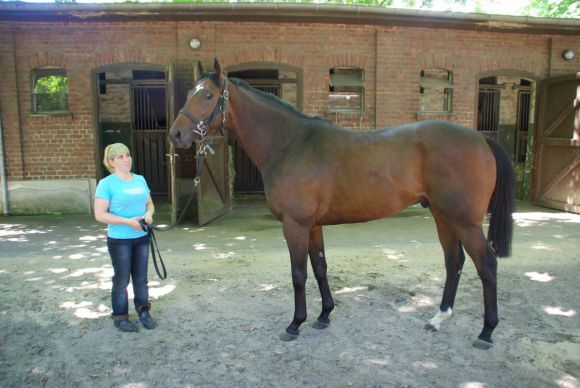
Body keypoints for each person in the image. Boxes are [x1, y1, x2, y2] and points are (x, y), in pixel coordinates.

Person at [94, 143, 156, 332]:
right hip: (120, 239)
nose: (126, 159)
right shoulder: (106, 184)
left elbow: (150, 204)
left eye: (127, 155)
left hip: (141, 236)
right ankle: (120, 317)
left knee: (141, 278)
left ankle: (143, 311)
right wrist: (128, 222)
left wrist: (149, 215)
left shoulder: (140, 180)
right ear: (111, 162)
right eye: (119, 157)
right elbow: (100, 214)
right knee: (121, 280)